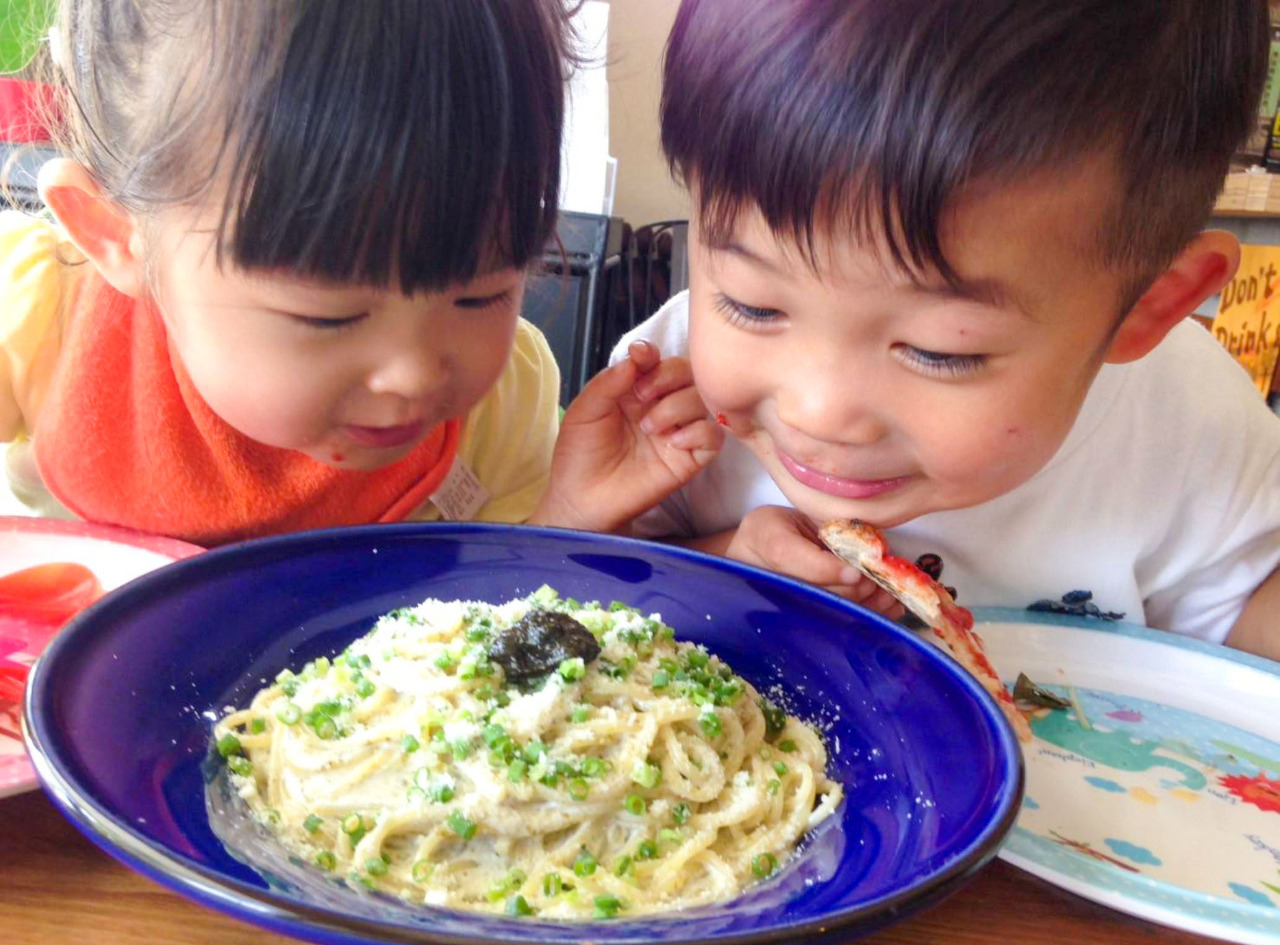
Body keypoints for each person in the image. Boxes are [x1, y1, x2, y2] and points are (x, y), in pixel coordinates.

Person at [613, 0, 1280, 659]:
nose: (818, 412)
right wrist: (729, 561)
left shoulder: (1191, 427)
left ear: (1147, 308)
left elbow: (1243, 613)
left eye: (941, 350)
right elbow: (597, 583)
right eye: (753, 306)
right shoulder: (666, 398)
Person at [0, 0, 719, 547]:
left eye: (482, 294)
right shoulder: (40, 315)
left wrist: (571, 515)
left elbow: (496, 624)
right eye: (329, 315)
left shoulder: (501, 406)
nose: (414, 374)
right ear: (115, 235)